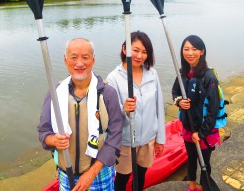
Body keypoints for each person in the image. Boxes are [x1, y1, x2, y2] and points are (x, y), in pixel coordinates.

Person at [38, 38, 123, 191]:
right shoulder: (55, 93)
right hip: (66, 172)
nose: (79, 63)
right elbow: (44, 132)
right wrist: (54, 140)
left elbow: (115, 136)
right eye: (73, 57)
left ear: (93, 59)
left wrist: (92, 173)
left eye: (85, 57)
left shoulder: (107, 94)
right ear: (65, 60)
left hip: (99, 173)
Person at [106, 31, 166, 191]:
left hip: (147, 139)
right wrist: (124, 110)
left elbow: (159, 107)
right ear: (125, 49)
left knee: (140, 177)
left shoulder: (152, 73)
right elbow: (110, 118)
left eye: (145, 52)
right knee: (122, 179)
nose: (140, 55)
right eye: (136, 50)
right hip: (125, 142)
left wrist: (160, 138)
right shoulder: (113, 78)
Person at [172, 35, 221, 191]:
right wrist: (179, 101)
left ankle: (204, 186)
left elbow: (213, 110)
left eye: (194, 49)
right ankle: (193, 187)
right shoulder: (183, 73)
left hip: (205, 130)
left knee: (204, 162)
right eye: (186, 49)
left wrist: (201, 133)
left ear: (202, 51)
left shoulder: (209, 76)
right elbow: (174, 91)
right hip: (188, 127)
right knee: (191, 159)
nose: (190, 53)